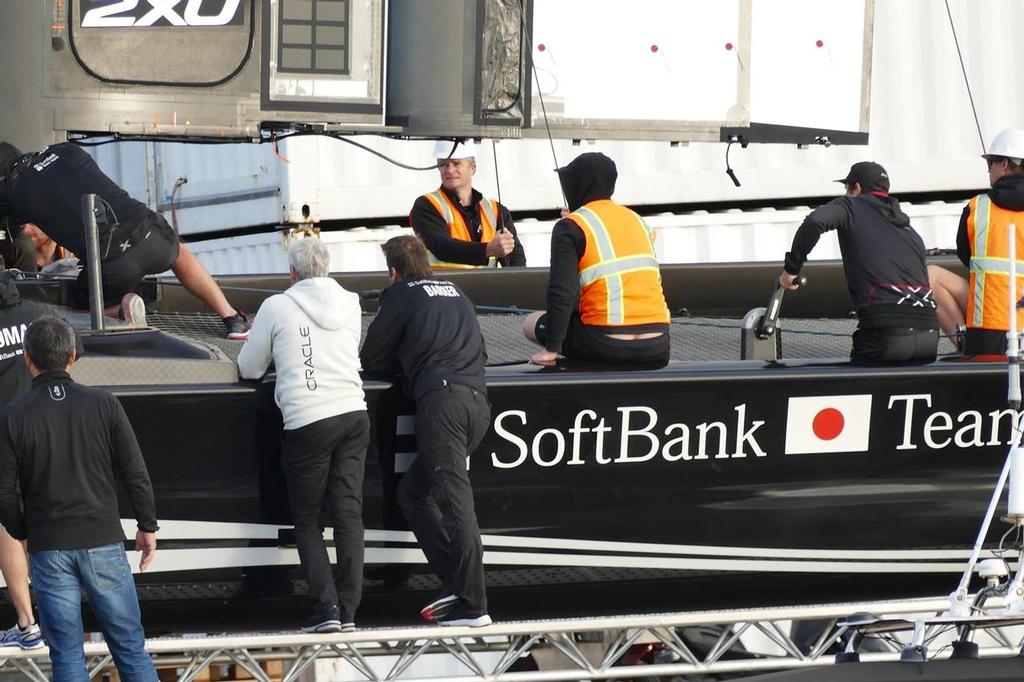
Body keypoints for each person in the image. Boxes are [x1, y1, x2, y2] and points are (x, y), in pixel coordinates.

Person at [0, 317, 159, 681]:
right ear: (72, 356)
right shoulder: (104, 403)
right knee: (131, 650)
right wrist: (147, 525)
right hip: (102, 539)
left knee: (67, 657)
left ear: (27, 359)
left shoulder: (12, 417)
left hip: (49, 547)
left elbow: (5, 492)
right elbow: (134, 471)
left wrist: (24, 532)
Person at [237, 238, 368, 633]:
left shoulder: (277, 305)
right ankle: (349, 611)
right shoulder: (351, 301)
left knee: (307, 519)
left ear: (292, 273)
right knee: (348, 515)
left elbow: (250, 368)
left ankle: (325, 608)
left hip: (308, 420)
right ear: (327, 267)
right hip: (353, 412)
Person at [360, 236, 492, 628]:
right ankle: (457, 583)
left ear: (394, 271)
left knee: (454, 501)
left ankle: (474, 604)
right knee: (413, 492)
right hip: (477, 405)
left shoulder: (401, 294)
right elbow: (481, 352)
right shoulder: (458, 294)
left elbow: (372, 357)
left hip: (443, 403)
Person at [0, 141, 250, 339]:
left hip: (111, 262)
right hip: (148, 230)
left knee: (71, 306)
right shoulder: (66, 150)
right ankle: (231, 318)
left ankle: (121, 312)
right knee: (179, 253)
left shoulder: (11, 189)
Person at [779, 161, 938, 362]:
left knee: (852, 389)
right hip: (930, 334)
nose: (846, 193)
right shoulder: (908, 229)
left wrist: (791, 269)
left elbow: (815, 221)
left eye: (847, 188)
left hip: (886, 332)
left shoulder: (851, 206)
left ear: (857, 188)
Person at [523, 152, 671, 366]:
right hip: (657, 345)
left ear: (576, 184)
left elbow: (562, 291)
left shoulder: (571, 227)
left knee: (530, 323)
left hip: (604, 343)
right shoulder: (638, 221)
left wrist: (551, 349)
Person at [929, 129, 1024, 355]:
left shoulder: (977, 207)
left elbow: (966, 257)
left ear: (1004, 164)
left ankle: (964, 344)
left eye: (990, 163)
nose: (988, 170)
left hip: (987, 330)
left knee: (930, 276)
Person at [0, 272, 55, 650]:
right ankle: (60, 620)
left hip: (4, 436)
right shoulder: (38, 314)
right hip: (48, 430)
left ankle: (27, 624)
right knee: (49, 521)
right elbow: (72, 355)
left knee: (6, 527)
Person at [410, 139, 525, 269]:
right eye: (443, 164)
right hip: (442, 288)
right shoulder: (427, 205)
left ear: (473, 168)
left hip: (487, 288)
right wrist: (488, 249)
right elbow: (441, 246)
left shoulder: (496, 211)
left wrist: (516, 284)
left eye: (456, 163)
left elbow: (515, 256)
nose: (449, 170)